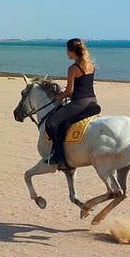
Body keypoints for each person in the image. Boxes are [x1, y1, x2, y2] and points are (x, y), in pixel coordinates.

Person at [45, 38, 98, 169]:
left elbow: (70, 91)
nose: (66, 53)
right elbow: (82, 85)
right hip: (92, 102)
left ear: (72, 51)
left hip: (80, 103)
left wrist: (59, 96)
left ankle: (59, 156)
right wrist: (67, 90)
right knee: (66, 122)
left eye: (67, 50)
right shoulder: (91, 65)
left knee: (52, 122)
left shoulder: (73, 68)